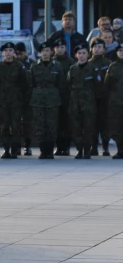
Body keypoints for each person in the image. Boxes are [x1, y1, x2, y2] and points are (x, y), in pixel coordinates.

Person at [47, 12, 85, 155]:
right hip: (55, 90)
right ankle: (59, 146)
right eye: (65, 19)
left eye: (70, 19)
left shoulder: (79, 37)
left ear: (74, 22)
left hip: (70, 91)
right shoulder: (56, 36)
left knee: (68, 119)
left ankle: (67, 146)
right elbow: (46, 49)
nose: (68, 21)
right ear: (61, 22)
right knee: (56, 119)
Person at [0, 42, 28, 159]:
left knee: (16, 126)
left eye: (10, 50)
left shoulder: (19, 66)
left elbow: (24, 84)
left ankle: (15, 149)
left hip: (16, 99)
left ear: (14, 53)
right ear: (2, 53)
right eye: (6, 51)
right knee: (4, 125)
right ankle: (6, 149)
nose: (8, 53)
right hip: (2, 100)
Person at [30, 42, 63, 159]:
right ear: (40, 52)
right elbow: (31, 84)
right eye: (43, 51)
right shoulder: (34, 66)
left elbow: (61, 84)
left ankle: (50, 150)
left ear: (51, 52)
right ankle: (43, 150)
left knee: (52, 125)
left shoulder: (57, 65)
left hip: (52, 100)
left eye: (47, 50)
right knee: (39, 125)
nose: (45, 53)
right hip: (38, 100)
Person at [67, 44, 96, 159]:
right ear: (75, 55)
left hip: (89, 101)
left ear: (88, 54)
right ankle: (79, 149)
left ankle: (87, 150)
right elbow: (69, 84)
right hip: (75, 101)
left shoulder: (92, 68)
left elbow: (97, 85)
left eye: (84, 53)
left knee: (88, 126)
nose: (82, 56)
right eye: (79, 53)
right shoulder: (72, 68)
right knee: (76, 126)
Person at [88, 38, 111, 156]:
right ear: (91, 49)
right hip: (91, 98)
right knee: (92, 123)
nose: (97, 49)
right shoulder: (88, 64)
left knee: (104, 123)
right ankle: (93, 146)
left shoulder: (108, 64)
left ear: (104, 49)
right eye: (95, 47)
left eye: (99, 47)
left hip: (104, 97)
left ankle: (105, 147)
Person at [52, 41, 74, 155]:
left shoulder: (70, 62)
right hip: (54, 97)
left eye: (62, 47)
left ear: (65, 48)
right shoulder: (52, 62)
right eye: (57, 47)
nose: (60, 49)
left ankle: (66, 147)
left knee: (66, 123)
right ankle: (59, 146)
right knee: (56, 123)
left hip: (67, 96)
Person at [15, 43, 35, 155]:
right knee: (15, 123)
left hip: (28, 98)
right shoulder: (12, 64)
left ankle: (28, 146)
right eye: (16, 53)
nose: (18, 55)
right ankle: (16, 146)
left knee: (27, 124)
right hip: (15, 98)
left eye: (20, 53)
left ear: (25, 53)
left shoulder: (32, 64)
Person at [107, 44, 123, 159]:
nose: (122, 52)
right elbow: (107, 84)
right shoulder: (112, 66)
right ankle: (120, 150)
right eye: (120, 51)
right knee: (116, 126)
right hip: (116, 102)